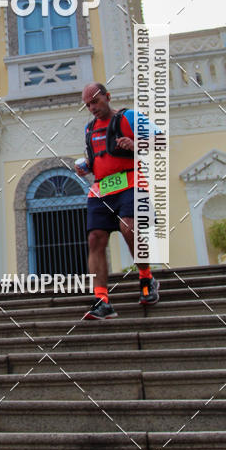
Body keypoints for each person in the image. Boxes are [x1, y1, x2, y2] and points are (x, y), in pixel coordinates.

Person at [77, 82, 160, 319]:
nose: (92, 107)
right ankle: (102, 300)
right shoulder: (89, 128)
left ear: (107, 96)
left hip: (131, 181)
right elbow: (96, 160)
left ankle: (147, 278)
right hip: (101, 188)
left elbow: (160, 140)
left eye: (95, 101)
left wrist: (136, 144)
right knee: (95, 238)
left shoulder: (129, 117)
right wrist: (85, 167)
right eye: (88, 105)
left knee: (129, 227)